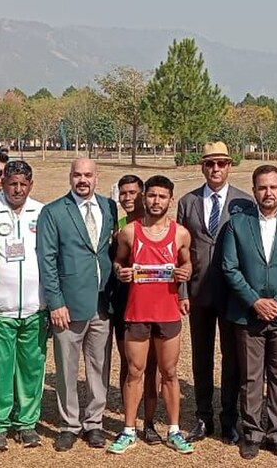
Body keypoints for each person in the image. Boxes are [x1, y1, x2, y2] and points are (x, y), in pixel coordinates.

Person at [223, 165, 277, 461]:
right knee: (250, 376)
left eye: (273, 187)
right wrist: (255, 301)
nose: (268, 192)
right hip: (248, 315)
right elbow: (230, 268)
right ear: (254, 191)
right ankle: (252, 433)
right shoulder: (238, 224)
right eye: (262, 187)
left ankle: (276, 432)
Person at [107, 175, 194, 455]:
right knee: (134, 372)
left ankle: (174, 430)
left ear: (171, 200)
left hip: (167, 313)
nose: (156, 201)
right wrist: (120, 272)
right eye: (152, 196)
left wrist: (187, 271)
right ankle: (128, 430)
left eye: (162, 197)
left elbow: (187, 262)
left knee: (169, 372)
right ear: (145, 197)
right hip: (137, 312)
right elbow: (119, 261)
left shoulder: (180, 233)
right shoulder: (130, 232)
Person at [38, 158, 118, 451]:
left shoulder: (110, 208)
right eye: (77, 175)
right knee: (67, 368)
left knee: (99, 367)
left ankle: (94, 423)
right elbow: (46, 260)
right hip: (68, 305)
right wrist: (55, 302)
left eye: (88, 175)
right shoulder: (54, 212)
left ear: (97, 177)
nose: (82, 180)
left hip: (102, 302)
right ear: (69, 177)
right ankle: (69, 424)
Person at [176, 142, 254, 444]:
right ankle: (202, 417)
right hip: (198, 293)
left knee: (232, 358)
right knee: (202, 357)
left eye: (221, 163)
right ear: (202, 166)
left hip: (234, 295)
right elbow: (180, 251)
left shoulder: (245, 202)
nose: (216, 169)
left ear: (230, 166)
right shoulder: (188, 202)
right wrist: (182, 290)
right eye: (210, 164)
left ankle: (229, 420)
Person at [0, 161, 48, 451]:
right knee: (0, 369)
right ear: (3, 183)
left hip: (36, 307)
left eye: (23, 184)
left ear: (31, 185)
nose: (18, 189)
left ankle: (26, 424)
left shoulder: (42, 212)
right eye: (12, 183)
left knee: (32, 369)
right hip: (0, 309)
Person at [108, 174, 163, 444]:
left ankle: (149, 422)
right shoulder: (118, 226)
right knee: (130, 365)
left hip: (154, 303)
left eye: (133, 192)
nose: (127, 198)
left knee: (151, 366)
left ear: (143, 194)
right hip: (123, 303)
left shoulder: (159, 225)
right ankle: (127, 422)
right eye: (123, 193)